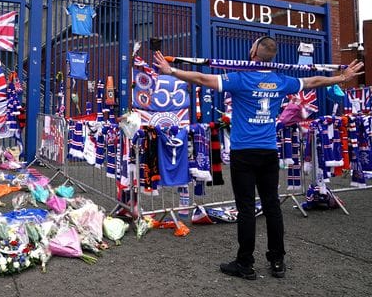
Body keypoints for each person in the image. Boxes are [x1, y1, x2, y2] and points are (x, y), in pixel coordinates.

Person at [154, 36, 365, 279]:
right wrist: (340, 77)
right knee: (272, 206)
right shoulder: (281, 81)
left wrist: (171, 71)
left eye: (252, 44)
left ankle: (245, 264)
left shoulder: (240, 79)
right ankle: (277, 261)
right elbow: (312, 81)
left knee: (245, 209)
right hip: (267, 152)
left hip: (244, 152)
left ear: (253, 51)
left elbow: (202, 78)